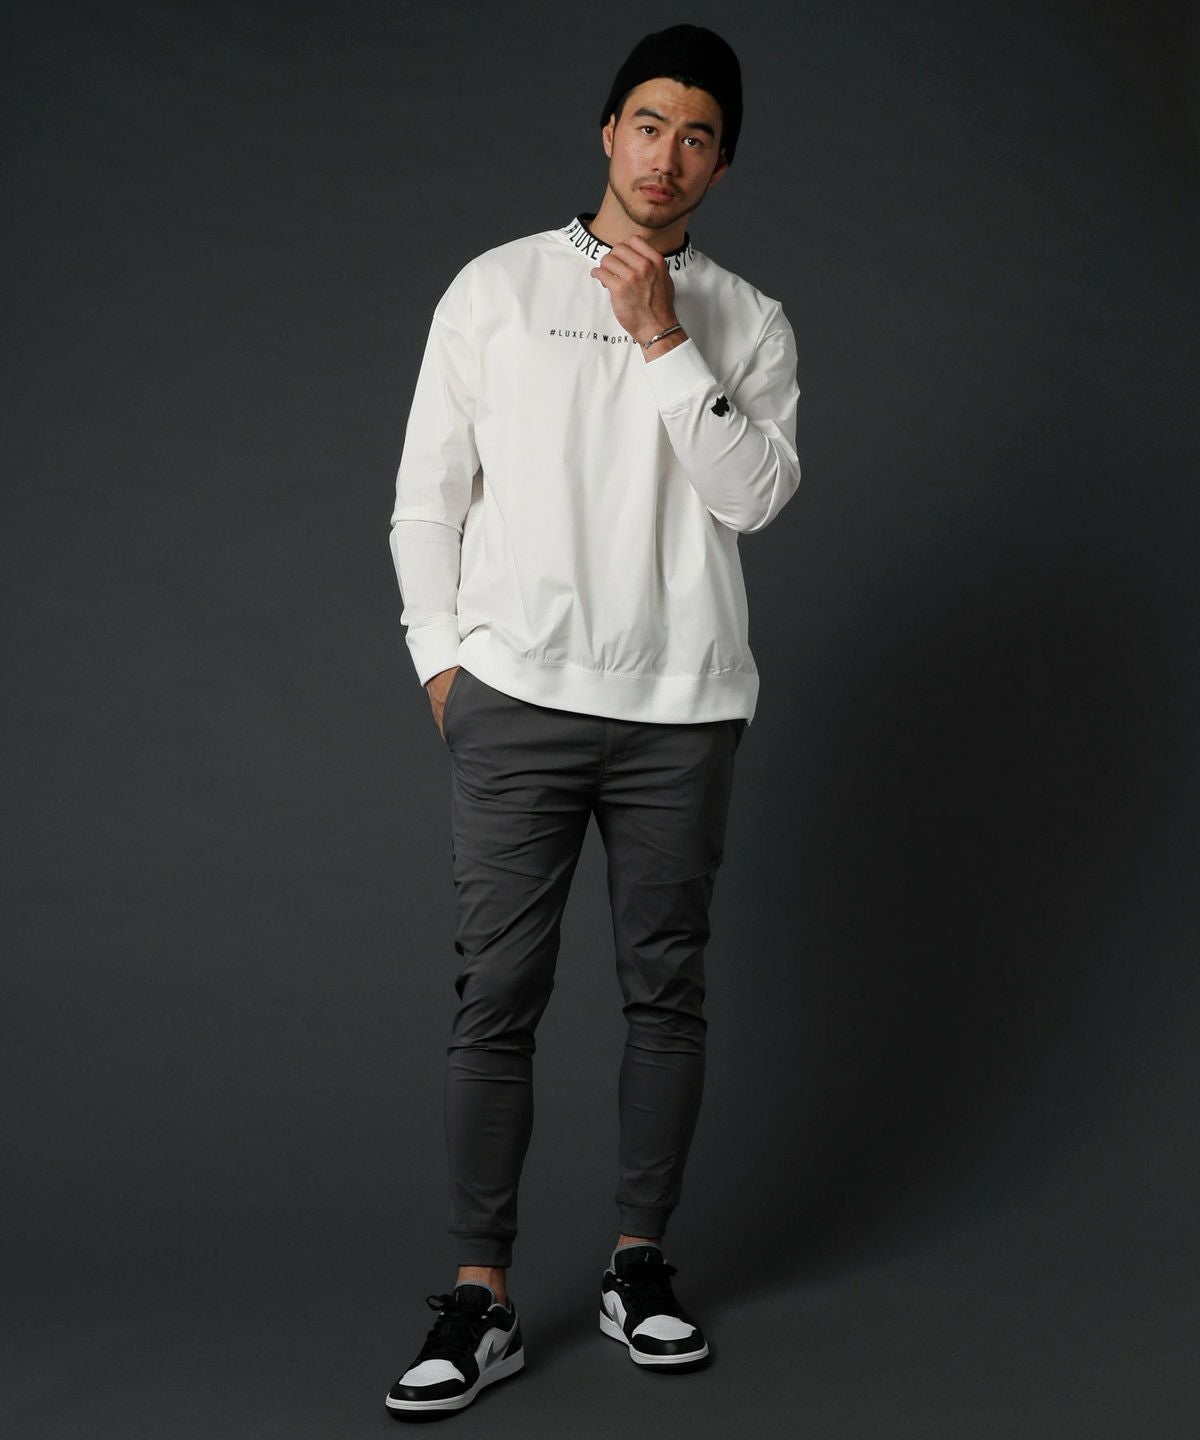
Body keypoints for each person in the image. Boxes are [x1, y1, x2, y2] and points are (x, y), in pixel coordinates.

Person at [383, 22, 801, 1416]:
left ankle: (638, 1268)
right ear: (608, 134)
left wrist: (664, 337)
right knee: (495, 996)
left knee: (664, 994)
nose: (666, 155)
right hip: (517, 705)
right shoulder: (495, 289)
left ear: (721, 166)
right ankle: (480, 1297)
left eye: (698, 136)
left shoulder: (748, 319)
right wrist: (445, 668)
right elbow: (427, 500)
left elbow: (753, 497)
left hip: (683, 709)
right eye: (648, 124)